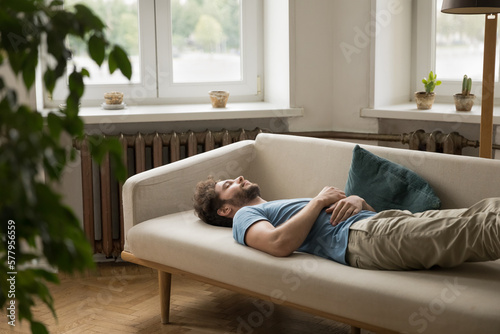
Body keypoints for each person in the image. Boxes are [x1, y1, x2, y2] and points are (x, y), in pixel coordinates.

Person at [193, 175, 500, 270]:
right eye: (229, 184)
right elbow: (278, 244)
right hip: (362, 238)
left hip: (377, 223)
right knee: (479, 230)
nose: (240, 178)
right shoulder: (245, 217)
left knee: (484, 212)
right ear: (225, 210)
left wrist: (357, 201)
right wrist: (317, 201)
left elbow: (367, 214)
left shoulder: (274, 205)